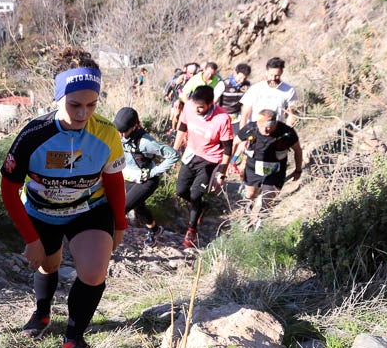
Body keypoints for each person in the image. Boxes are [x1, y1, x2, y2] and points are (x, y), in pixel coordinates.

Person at [0, 49, 127, 348]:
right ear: (57, 97)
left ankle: (73, 341)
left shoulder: (107, 133)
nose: (83, 113)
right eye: (74, 105)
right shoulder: (33, 134)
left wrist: (120, 223)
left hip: (89, 210)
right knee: (47, 265)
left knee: (94, 271)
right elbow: (8, 189)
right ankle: (42, 313)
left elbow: (113, 180)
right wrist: (30, 239)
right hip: (42, 213)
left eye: (91, 105)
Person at [173, 84, 234, 249]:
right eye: (195, 106)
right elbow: (183, 127)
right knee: (180, 191)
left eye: (201, 107)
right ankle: (202, 206)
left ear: (210, 104)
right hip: (191, 154)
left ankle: (191, 230)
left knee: (195, 194)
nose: (196, 110)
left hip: (210, 159)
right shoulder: (189, 107)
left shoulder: (222, 118)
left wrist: (222, 171)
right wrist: (174, 151)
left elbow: (228, 147)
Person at [113, 107, 178, 246]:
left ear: (134, 126)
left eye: (123, 132)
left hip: (146, 180)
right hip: (129, 177)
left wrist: (153, 172)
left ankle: (107, 247)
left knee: (120, 209)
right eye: (118, 130)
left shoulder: (145, 142)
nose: (119, 134)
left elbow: (173, 155)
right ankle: (154, 229)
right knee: (139, 207)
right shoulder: (118, 132)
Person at [233, 109, 303, 228]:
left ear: (275, 122)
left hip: (275, 171)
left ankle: (260, 225)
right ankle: (246, 219)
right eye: (262, 126)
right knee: (250, 194)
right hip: (253, 168)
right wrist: (232, 161)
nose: (265, 130)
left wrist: (298, 169)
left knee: (268, 198)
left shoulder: (287, 132)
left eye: (269, 126)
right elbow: (235, 142)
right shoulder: (250, 128)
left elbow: (297, 150)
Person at [238, 57, 298, 128]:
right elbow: (245, 113)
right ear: (266, 72)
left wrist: (288, 132)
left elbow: (290, 114)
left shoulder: (289, 90)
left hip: (276, 130)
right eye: (271, 75)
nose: (273, 78)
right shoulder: (255, 89)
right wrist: (242, 133)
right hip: (256, 130)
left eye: (277, 76)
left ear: (281, 72)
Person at [166, 62, 200, 134]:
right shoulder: (182, 77)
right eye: (191, 73)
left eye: (194, 73)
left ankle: (179, 133)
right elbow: (173, 86)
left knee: (183, 117)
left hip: (189, 99)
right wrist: (176, 98)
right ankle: (173, 130)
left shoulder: (197, 78)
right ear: (187, 71)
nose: (192, 75)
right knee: (176, 115)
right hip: (178, 98)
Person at [218, 63, 252, 129]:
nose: (242, 81)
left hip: (237, 119)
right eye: (240, 78)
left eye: (244, 79)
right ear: (235, 73)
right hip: (222, 116)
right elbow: (214, 101)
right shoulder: (224, 84)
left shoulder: (248, 86)